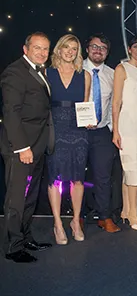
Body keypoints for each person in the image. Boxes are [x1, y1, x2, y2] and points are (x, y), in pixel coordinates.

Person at [0, 32, 54, 263]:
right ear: (25, 49)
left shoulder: (40, 71)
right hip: (21, 147)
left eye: (45, 49)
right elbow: (11, 113)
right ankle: (13, 247)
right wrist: (22, 147)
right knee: (16, 199)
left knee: (30, 197)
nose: (42, 53)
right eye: (37, 48)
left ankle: (25, 237)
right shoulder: (14, 72)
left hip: (38, 144)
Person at [46, 34, 91, 245]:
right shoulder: (47, 73)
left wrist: (89, 120)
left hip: (78, 129)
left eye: (74, 48)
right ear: (59, 49)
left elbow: (85, 104)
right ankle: (57, 223)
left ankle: (75, 221)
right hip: (54, 127)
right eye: (67, 47)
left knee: (78, 178)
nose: (70, 52)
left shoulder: (85, 75)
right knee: (54, 176)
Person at [112, 35, 137, 231]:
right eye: (135, 46)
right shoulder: (121, 69)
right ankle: (134, 215)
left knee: (131, 170)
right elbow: (116, 101)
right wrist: (116, 130)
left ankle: (126, 212)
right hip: (128, 124)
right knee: (133, 169)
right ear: (129, 49)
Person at [83, 33, 121, 233]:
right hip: (77, 132)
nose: (98, 50)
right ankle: (78, 217)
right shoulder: (74, 69)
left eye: (102, 48)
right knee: (76, 177)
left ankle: (104, 217)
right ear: (87, 48)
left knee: (104, 177)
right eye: (94, 46)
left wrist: (115, 130)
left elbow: (115, 105)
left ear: (107, 52)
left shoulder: (112, 74)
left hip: (102, 132)